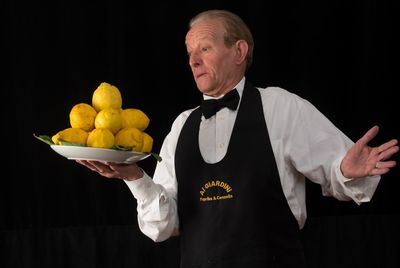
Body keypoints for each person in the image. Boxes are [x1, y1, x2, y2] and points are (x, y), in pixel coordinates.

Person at [77, 9, 399, 267]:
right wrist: (135, 177)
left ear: (239, 51)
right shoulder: (181, 126)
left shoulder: (280, 107)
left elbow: (337, 173)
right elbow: (163, 227)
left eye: (204, 48)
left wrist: (345, 171)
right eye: (190, 52)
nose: (193, 60)